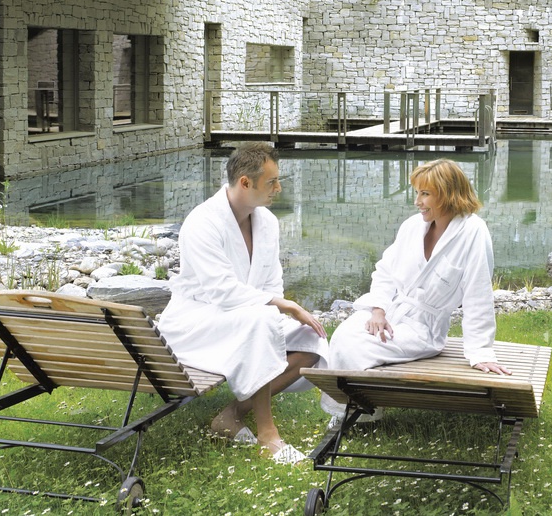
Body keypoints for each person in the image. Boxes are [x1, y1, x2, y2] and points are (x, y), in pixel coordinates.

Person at [158, 142, 328, 464]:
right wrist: (284, 306)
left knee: (311, 339)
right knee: (260, 320)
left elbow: (272, 282)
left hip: (246, 320)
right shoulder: (202, 222)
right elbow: (221, 291)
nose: (279, 188)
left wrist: (280, 315)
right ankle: (268, 436)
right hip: (196, 323)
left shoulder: (268, 223)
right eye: (272, 182)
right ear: (245, 183)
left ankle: (232, 414)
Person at [321, 158, 510, 421]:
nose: (417, 201)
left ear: (447, 194)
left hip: (423, 329)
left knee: (356, 345)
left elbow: (478, 295)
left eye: (425, 194)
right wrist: (378, 310)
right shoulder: (412, 226)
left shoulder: (473, 232)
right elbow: (385, 271)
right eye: (417, 193)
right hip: (391, 312)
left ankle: (360, 413)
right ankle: (351, 409)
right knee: (343, 335)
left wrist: (480, 352)